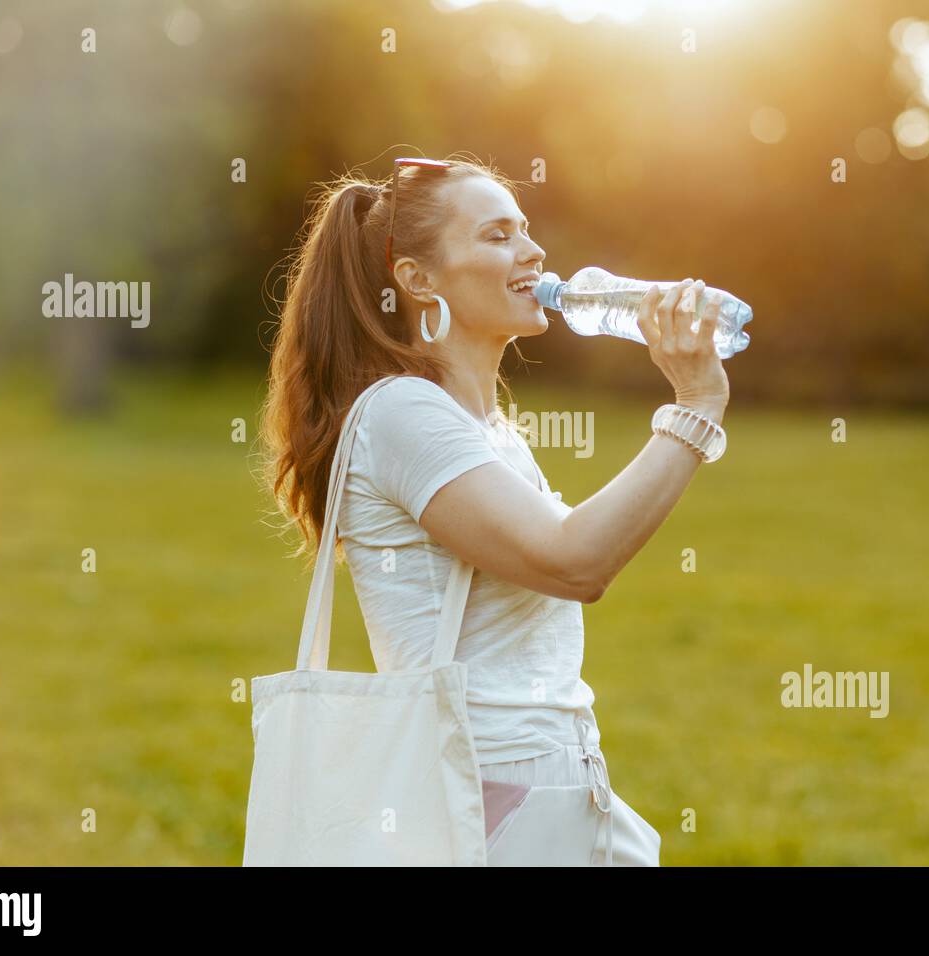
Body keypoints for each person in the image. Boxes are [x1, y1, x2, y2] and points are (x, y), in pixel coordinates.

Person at [258, 152, 730, 865]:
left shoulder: (489, 430)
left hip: (546, 786)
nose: (532, 251)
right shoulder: (400, 414)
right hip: (487, 801)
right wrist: (694, 407)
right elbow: (575, 561)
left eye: (526, 230)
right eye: (497, 234)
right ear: (417, 280)